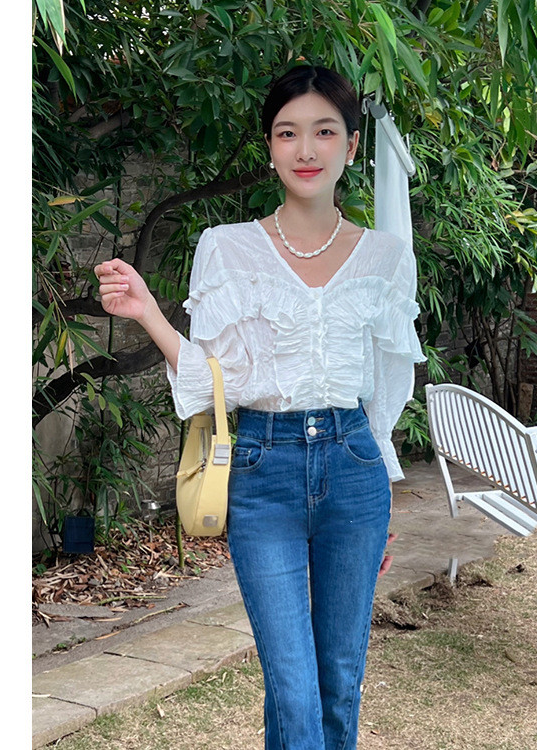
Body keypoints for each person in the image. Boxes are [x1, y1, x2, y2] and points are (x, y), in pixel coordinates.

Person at [95, 65, 425, 750]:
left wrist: (383, 497)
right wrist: (149, 313)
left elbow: (388, 386)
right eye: (287, 132)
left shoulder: (387, 257)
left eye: (324, 132)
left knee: (339, 680)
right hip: (262, 466)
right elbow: (219, 379)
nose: (305, 149)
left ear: (351, 145)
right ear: (270, 146)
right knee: (293, 686)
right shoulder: (227, 247)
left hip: (354, 470)